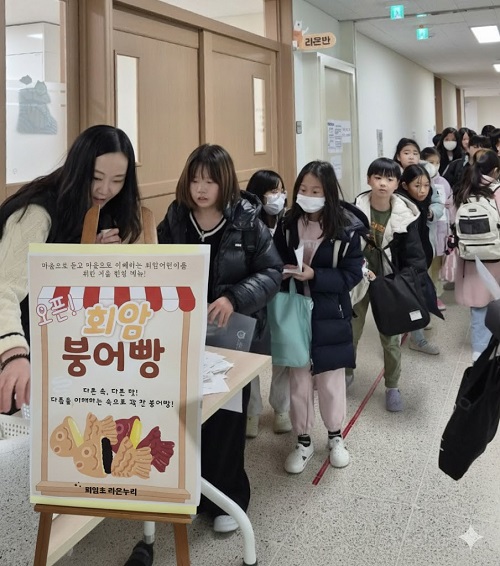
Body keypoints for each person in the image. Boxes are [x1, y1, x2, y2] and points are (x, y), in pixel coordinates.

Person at [156, 144, 282, 532]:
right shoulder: (176, 217)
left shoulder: (247, 220)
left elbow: (272, 273)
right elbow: (159, 262)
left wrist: (233, 297)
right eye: (195, 180)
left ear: (224, 182)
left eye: (209, 181)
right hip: (185, 330)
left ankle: (229, 500)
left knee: (227, 416)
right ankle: (194, 491)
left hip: (233, 334)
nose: (201, 189)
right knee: (190, 412)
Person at [0, 124, 141, 415]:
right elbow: (5, 288)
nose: (105, 189)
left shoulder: (104, 211)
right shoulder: (37, 212)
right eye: (96, 178)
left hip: (58, 345)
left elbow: (59, 275)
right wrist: (13, 354)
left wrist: (90, 257)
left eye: (117, 180)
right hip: (17, 344)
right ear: (78, 169)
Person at [272, 160, 366, 474]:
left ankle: (335, 437)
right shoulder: (288, 224)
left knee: (330, 379)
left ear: (328, 193)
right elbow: (274, 259)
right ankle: (303, 440)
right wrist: (283, 272)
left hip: (330, 313)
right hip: (294, 311)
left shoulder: (346, 228)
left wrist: (316, 275)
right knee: (298, 378)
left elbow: (352, 274)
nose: (308, 195)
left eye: (316, 191)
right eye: (303, 189)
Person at [349, 158, 437, 412]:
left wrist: (406, 284)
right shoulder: (355, 211)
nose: (383, 184)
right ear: (368, 180)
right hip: (359, 278)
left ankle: (392, 385)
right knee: (351, 332)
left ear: (398, 184)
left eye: (389, 179)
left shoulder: (405, 216)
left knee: (390, 337)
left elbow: (415, 257)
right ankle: (346, 373)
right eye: (378, 178)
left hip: (389, 281)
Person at [244, 169, 292, 438]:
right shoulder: (247, 222)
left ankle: (281, 408)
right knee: (251, 356)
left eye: (281, 190)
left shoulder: (289, 221)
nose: (279, 196)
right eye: (273, 191)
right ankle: (251, 411)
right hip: (255, 297)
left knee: (283, 354)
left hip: (284, 296)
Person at [453, 149, 500, 363]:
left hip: (471, 257)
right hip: (496, 255)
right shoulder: (497, 190)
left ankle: (479, 349)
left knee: (478, 304)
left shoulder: (463, 189)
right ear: (495, 170)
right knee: (495, 297)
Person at [396, 164, 442, 355]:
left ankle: (415, 328)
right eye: (417, 185)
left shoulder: (423, 202)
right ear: (405, 185)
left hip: (421, 257)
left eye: (426, 185)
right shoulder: (401, 205)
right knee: (415, 298)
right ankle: (418, 339)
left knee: (418, 296)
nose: (422, 190)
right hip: (406, 262)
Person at [420, 147, 452, 305]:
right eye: (430, 162)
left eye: (437, 162)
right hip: (426, 230)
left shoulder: (443, 182)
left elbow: (449, 204)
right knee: (425, 264)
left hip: (441, 229)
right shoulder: (420, 181)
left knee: (437, 265)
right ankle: (424, 296)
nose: (434, 165)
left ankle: (435, 296)